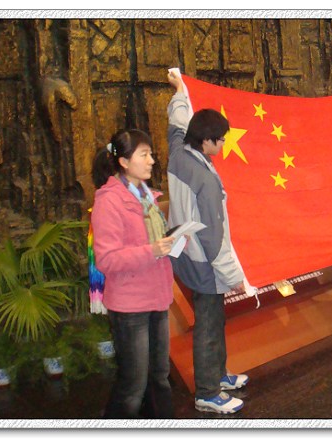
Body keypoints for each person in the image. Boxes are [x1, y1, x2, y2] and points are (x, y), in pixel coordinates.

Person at [166, 70, 249, 414]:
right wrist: (236, 277)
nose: (224, 145)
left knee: (214, 319)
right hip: (204, 262)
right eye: (221, 140)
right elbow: (214, 239)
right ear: (207, 142)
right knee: (209, 323)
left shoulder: (178, 153)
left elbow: (176, 123)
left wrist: (179, 89)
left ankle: (218, 374)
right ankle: (208, 392)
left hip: (185, 254)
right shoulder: (207, 180)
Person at [90, 129, 175, 418]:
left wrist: (175, 241)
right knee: (133, 385)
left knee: (159, 376)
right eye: (144, 154)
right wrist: (152, 250)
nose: (152, 160)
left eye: (151, 154)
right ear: (124, 162)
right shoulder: (109, 201)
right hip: (130, 307)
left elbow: (156, 243)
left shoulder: (147, 196)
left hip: (157, 298)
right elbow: (107, 259)